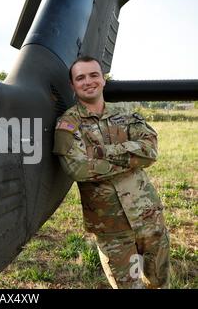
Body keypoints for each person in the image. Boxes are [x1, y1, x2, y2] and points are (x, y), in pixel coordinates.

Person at [53, 56, 170, 289]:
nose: (88, 81)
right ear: (72, 85)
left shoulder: (127, 114)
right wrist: (131, 157)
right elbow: (78, 169)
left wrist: (99, 151)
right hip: (111, 227)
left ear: (103, 79)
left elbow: (150, 151)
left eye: (94, 75)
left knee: (160, 281)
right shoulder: (67, 124)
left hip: (148, 215)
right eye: (81, 77)